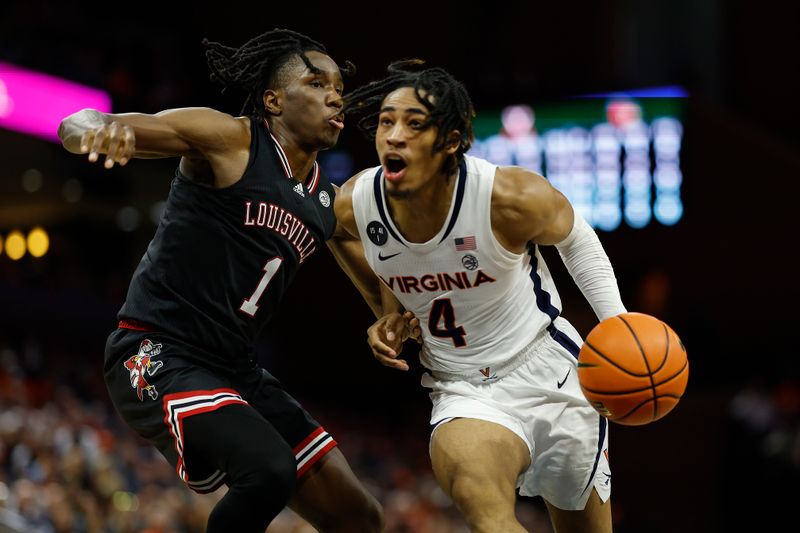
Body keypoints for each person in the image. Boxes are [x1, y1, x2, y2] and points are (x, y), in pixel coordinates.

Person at [58, 29, 384, 533]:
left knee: (358, 516)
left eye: (338, 86)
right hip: (156, 351)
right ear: (274, 99)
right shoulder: (231, 139)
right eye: (317, 83)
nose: (334, 95)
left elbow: (384, 293)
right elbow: (78, 123)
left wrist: (392, 319)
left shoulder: (328, 202)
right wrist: (98, 129)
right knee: (270, 471)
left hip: (236, 370)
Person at [335, 60, 627, 532]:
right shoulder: (358, 202)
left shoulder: (507, 196)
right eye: (387, 121)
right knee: (485, 511)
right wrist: (387, 310)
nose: (393, 135)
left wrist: (617, 322)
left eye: (414, 124)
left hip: (548, 369)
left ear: (449, 141)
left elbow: (575, 236)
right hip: (462, 387)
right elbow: (341, 234)